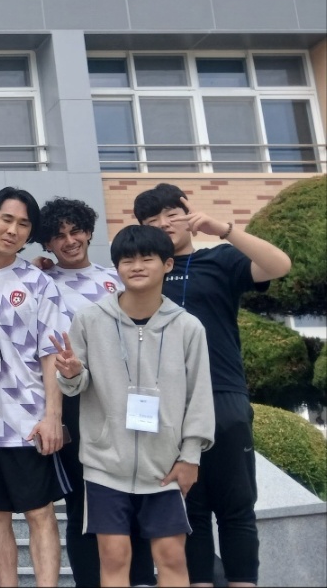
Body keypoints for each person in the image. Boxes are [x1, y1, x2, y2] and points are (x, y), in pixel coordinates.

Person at [133, 183, 291, 588]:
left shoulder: (220, 259)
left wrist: (224, 229)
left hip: (223, 395)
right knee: (189, 511)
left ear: (187, 214)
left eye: (172, 214)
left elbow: (279, 265)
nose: (164, 224)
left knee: (236, 508)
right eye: (152, 220)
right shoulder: (143, 274)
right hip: (168, 406)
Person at [55, 224, 215, 588]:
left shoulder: (188, 327)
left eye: (147, 258)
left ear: (167, 264)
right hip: (105, 464)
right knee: (113, 556)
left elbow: (199, 395)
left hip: (165, 464)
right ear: (117, 268)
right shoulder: (90, 319)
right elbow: (75, 385)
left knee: (172, 556)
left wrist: (191, 456)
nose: (137, 266)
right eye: (127, 259)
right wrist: (71, 373)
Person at [36, 197, 155, 587]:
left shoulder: (117, 279)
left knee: (135, 494)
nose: (70, 241)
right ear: (47, 243)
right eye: (59, 236)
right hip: (75, 402)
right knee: (83, 502)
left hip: (128, 401)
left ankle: (139, 579)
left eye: (76, 231)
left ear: (89, 231)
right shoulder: (41, 282)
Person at [0, 187, 71, 588]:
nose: (13, 230)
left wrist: (53, 417)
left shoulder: (38, 282)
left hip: (27, 420)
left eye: (23, 224)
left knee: (40, 513)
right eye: (6, 219)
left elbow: (51, 354)